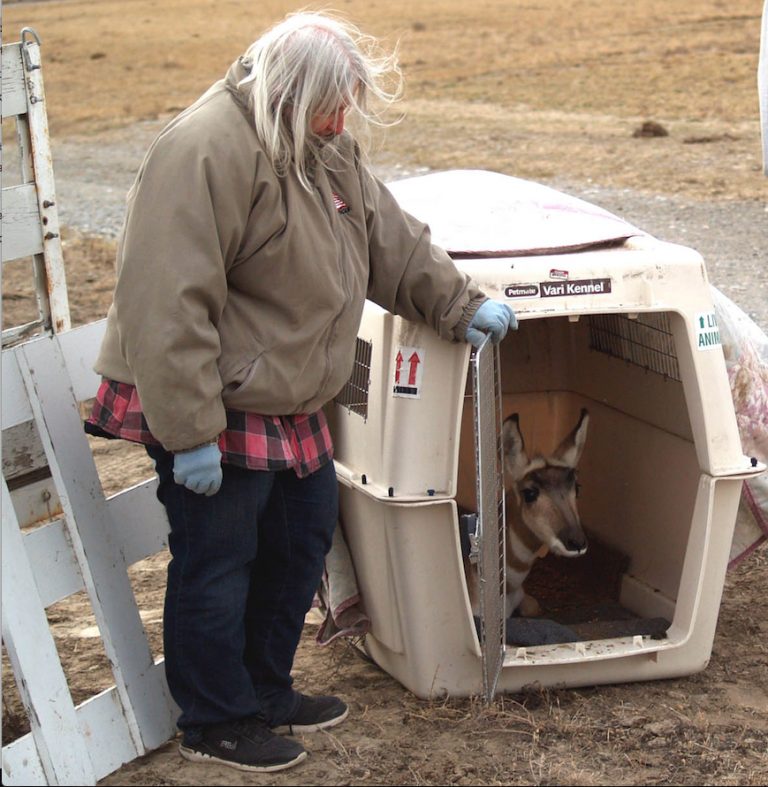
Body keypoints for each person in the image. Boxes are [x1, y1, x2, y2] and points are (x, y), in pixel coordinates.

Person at [85, 10, 515, 774]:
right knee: (218, 561)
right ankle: (215, 719)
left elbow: (391, 240)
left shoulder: (325, 147)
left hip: (286, 396)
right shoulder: (202, 150)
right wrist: (187, 433)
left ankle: (265, 689)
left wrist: (457, 303)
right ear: (291, 91)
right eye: (333, 101)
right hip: (213, 398)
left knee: (300, 543)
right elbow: (166, 299)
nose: (343, 118)